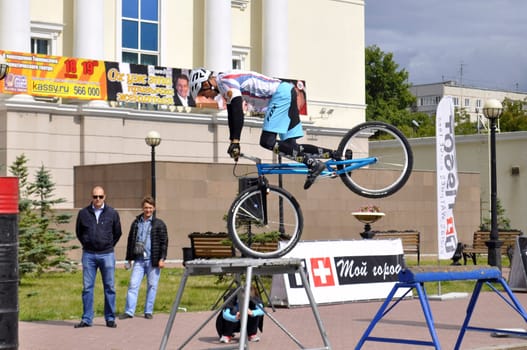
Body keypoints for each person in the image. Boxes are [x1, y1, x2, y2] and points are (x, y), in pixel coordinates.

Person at [189, 68, 336, 189]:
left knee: (267, 141)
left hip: (279, 95)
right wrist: (233, 141)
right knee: (292, 147)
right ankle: (336, 155)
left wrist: (236, 141)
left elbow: (238, 111)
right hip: (287, 91)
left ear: (206, 84)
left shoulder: (225, 81)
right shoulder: (224, 86)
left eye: (203, 94)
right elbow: (232, 116)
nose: (207, 98)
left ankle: (313, 164)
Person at [74, 186, 122, 328]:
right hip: (89, 255)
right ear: (92, 197)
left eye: (100, 197)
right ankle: (87, 319)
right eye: (95, 197)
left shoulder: (112, 213)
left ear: (105, 197)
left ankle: (110, 318)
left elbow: (117, 232)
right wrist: (88, 243)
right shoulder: (83, 213)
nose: (98, 200)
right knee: (87, 287)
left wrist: (108, 244)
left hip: (107, 254)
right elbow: (79, 232)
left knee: (110, 287)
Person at [119, 196, 168, 320]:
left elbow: (164, 242)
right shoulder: (136, 222)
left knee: (152, 286)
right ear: (142, 208)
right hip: (139, 261)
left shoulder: (159, 224)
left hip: (153, 260)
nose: (148, 210)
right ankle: (129, 311)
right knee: (133, 285)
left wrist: (162, 259)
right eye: (146, 207)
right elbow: (130, 240)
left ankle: (148, 311)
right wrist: (128, 259)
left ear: (154, 208)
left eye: (150, 208)